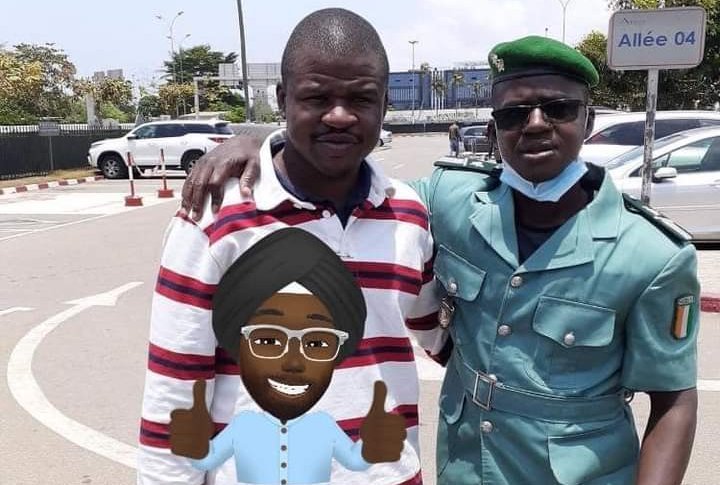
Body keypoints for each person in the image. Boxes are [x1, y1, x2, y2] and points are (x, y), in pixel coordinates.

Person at [180, 36, 700, 485]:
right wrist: (260, 141)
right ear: (494, 129)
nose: (535, 125)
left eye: (558, 108)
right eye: (513, 114)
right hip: (467, 465)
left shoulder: (651, 255)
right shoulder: (450, 202)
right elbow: (349, 178)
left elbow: (674, 401)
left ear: (588, 120)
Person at [138, 8, 440, 485]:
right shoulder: (216, 217)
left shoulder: (408, 213)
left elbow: (443, 336)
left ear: (384, 105)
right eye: (317, 97)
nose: (339, 115)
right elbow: (174, 390)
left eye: (361, 98)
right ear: (283, 99)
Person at [168, 228, 406, 484]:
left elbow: (355, 461)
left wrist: (372, 447)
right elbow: (206, 459)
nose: (293, 362)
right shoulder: (244, 426)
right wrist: (191, 443)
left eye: (316, 343)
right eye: (268, 340)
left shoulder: (323, 427)